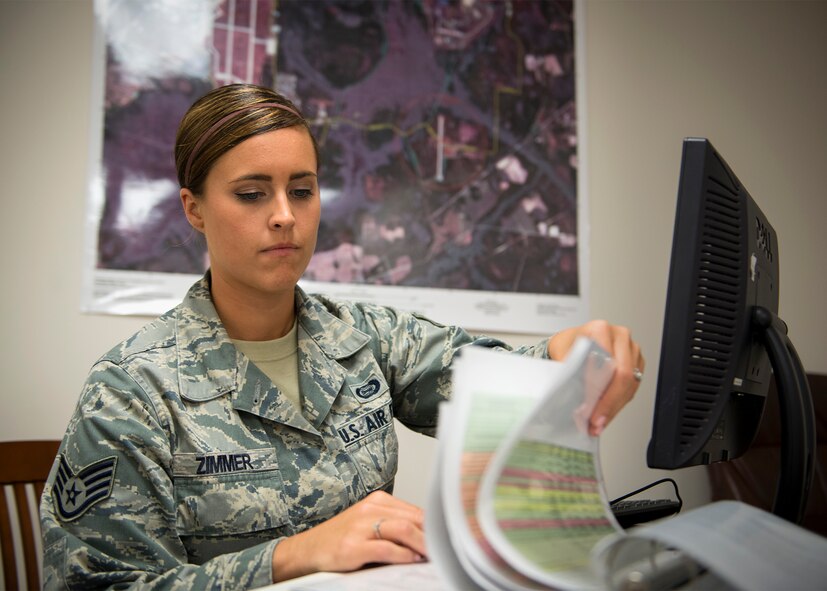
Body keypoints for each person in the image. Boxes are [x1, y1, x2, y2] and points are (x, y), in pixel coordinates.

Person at [40, 83, 645, 589]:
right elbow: (102, 584)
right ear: (193, 209)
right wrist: (293, 555)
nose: (284, 215)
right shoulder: (131, 390)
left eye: (302, 190)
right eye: (252, 194)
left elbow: (500, 385)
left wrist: (570, 355)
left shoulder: (363, 337)